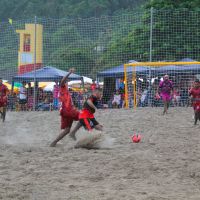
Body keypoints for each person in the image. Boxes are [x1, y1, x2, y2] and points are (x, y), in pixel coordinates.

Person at [50, 68, 80, 147]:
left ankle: (54, 143)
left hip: (64, 111)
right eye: (67, 82)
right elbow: (63, 81)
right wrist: (69, 73)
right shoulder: (62, 87)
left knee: (67, 130)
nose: (67, 83)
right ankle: (73, 133)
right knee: (84, 116)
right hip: (68, 110)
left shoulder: (64, 90)